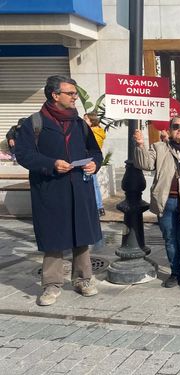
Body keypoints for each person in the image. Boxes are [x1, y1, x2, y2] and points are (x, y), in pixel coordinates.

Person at [14, 75, 102, 306]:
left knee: (81, 234)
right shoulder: (34, 123)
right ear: (55, 95)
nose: (75, 97)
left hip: (79, 188)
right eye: (70, 93)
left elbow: (95, 150)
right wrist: (51, 163)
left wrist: (95, 163)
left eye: (75, 94)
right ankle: (51, 284)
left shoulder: (79, 123)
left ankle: (83, 278)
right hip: (50, 188)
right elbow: (24, 155)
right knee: (53, 236)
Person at [133, 116, 180, 292]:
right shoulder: (159, 147)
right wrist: (140, 144)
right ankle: (175, 272)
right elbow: (145, 164)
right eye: (176, 126)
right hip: (166, 201)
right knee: (170, 240)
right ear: (170, 129)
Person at [84, 112, 106, 217]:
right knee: (95, 184)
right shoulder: (99, 131)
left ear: (91, 121)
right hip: (93, 161)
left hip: (89, 161)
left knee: (93, 184)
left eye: (86, 119)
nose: (83, 121)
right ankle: (99, 207)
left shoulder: (92, 133)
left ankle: (98, 207)